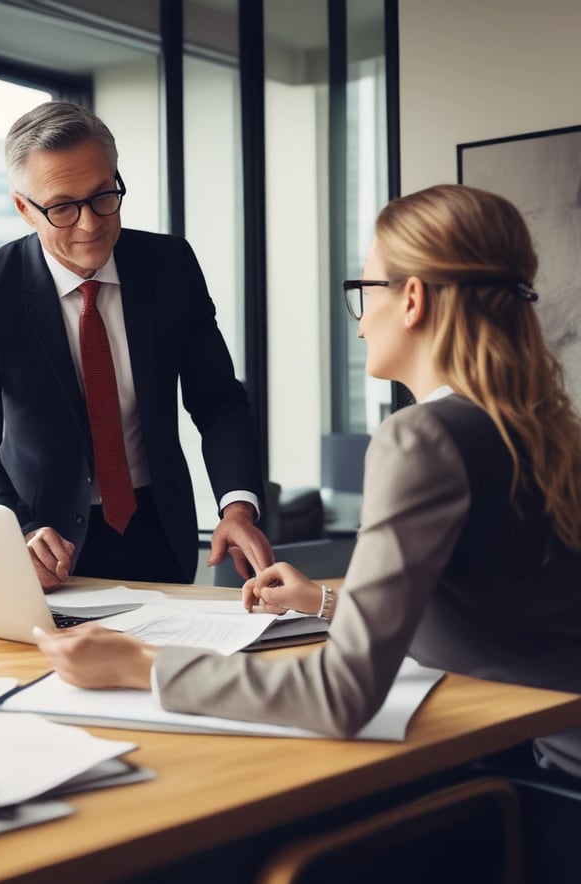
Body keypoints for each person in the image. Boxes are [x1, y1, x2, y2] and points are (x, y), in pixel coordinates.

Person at [34, 183, 581, 780]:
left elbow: (340, 695)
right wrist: (323, 601)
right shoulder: (550, 427)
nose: (362, 322)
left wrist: (141, 664)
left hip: (540, 780)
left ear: (414, 300)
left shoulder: (424, 439)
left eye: (364, 290)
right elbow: (503, 614)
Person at [0, 101, 273, 589]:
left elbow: (218, 398)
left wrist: (237, 505)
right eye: (61, 207)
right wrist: (19, 528)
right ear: (23, 208)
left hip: (160, 527)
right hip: (46, 541)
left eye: (102, 196)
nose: (90, 224)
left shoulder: (170, 265)